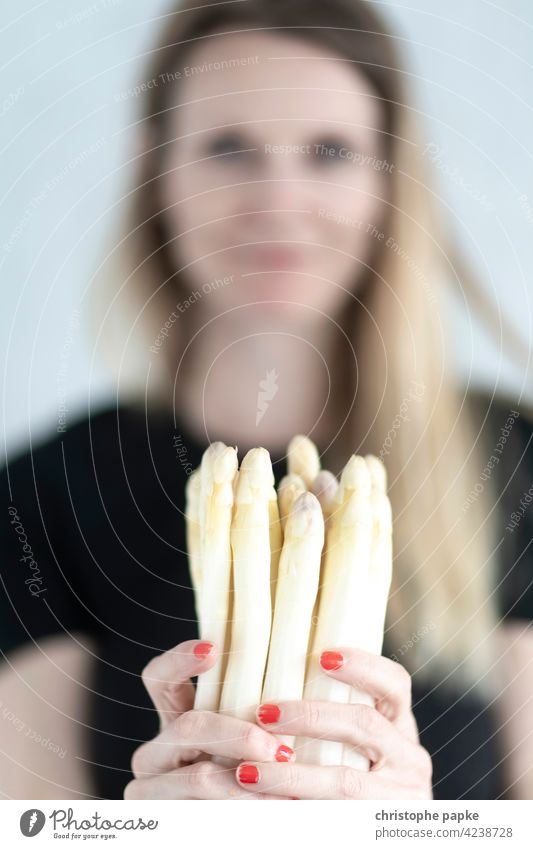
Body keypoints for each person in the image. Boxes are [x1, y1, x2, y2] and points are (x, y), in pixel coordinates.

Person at [1, 0, 532, 800]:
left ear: (389, 179)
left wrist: (413, 829)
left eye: (329, 150)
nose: (277, 200)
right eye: (228, 148)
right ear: (156, 171)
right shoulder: (45, 494)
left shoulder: (514, 463)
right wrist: (139, 835)